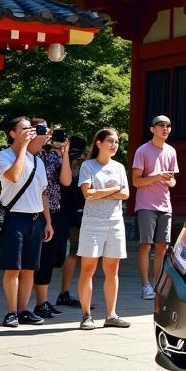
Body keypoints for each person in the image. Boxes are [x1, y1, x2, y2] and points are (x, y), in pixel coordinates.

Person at [0, 116, 53, 327]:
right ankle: (11, 312)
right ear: (12, 133)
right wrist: (23, 149)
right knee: (13, 268)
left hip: (36, 218)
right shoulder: (3, 156)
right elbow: (13, 176)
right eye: (24, 128)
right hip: (15, 217)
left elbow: (43, 193)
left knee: (30, 268)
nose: (30, 131)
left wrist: (48, 222)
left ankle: (23, 310)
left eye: (31, 128)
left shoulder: (38, 160)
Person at [77, 128, 131, 330]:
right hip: (92, 223)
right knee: (88, 269)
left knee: (113, 269)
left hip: (115, 222)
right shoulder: (87, 165)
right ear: (99, 143)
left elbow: (126, 195)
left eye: (117, 141)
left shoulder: (119, 167)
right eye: (110, 141)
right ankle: (86, 315)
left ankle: (111, 314)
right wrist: (113, 189)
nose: (115, 144)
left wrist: (102, 193)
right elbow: (88, 194)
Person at [30, 119, 74, 318]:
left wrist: (64, 155)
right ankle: (40, 303)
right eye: (42, 129)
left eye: (48, 130)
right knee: (42, 259)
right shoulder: (32, 155)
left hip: (55, 211)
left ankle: (44, 301)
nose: (48, 133)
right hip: (35, 211)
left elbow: (65, 181)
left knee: (56, 258)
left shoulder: (54, 156)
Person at [131, 114, 177, 300]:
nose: (165, 128)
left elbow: (173, 181)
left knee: (162, 247)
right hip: (146, 205)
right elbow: (136, 181)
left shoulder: (171, 151)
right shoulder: (142, 151)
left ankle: (157, 284)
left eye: (168, 125)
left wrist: (169, 180)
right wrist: (157, 177)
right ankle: (145, 285)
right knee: (145, 245)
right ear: (152, 129)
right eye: (161, 125)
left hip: (165, 204)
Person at [55, 136, 87, 308]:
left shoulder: (60, 158)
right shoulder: (80, 163)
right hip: (76, 212)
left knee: (76, 252)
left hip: (64, 210)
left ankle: (67, 292)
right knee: (76, 252)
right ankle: (64, 292)